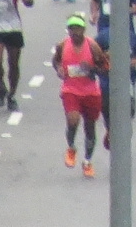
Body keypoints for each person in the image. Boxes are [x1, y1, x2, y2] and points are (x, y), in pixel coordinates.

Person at [53, 12, 107, 174]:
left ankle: (87, 161)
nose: (75, 33)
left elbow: (104, 67)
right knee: (73, 120)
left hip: (90, 92)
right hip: (71, 89)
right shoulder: (62, 45)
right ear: (68, 31)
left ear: (84, 30)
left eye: (78, 29)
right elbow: (56, 60)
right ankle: (71, 147)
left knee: (90, 128)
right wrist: (59, 69)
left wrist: (91, 68)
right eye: (72, 29)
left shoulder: (92, 46)